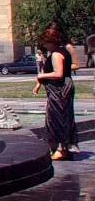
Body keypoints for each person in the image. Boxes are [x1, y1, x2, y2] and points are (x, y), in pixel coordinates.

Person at [33, 23, 77, 160]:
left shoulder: (57, 54)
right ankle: (62, 148)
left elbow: (58, 73)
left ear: (51, 42)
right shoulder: (60, 52)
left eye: (45, 42)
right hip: (60, 89)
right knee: (61, 117)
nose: (44, 45)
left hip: (59, 90)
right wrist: (40, 83)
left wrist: (41, 76)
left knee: (58, 118)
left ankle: (61, 149)